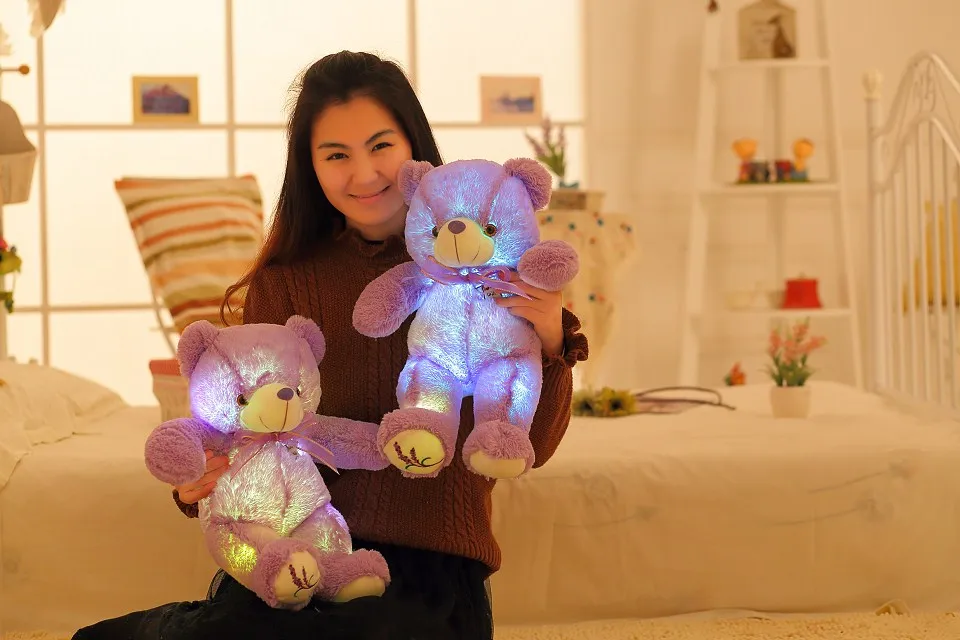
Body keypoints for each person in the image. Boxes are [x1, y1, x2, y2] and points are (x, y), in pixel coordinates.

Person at [73, 50, 588, 640]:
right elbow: (244, 429)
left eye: (380, 146)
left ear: (414, 146)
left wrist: (552, 338)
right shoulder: (285, 284)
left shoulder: (490, 266)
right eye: (336, 155)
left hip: (434, 569)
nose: (364, 174)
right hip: (304, 554)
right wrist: (197, 483)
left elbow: (534, 446)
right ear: (310, 167)